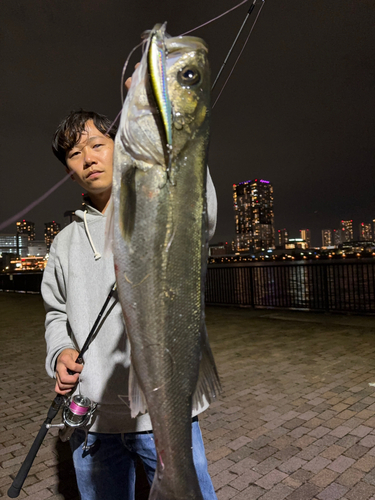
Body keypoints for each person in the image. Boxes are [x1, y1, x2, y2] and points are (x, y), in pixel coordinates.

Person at [42, 108, 218, 500]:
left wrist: (165, 114)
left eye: (96, 145)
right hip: (93, 423)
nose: (87, 158)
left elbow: (199, 214)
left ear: (119, 147)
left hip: (165, 416)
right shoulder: (63, 243)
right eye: (74, 154)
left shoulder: (154, 211)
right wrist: (61, 351)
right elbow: (55, 313)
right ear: (69, 170)